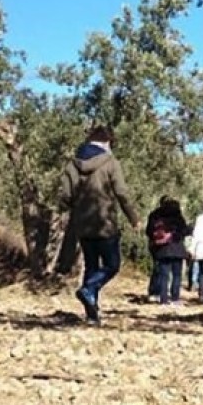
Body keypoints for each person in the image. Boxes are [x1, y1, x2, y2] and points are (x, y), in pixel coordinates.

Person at [54, 125, 140, 325]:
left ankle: (92, 315)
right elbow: (122, 193)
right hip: (105, 222)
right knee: (112, 265)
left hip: (82, 225)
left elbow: (65, 196)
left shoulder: (72, 164)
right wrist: (133, 217)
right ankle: (88, 290)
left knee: (91, 266)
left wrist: (70, 208)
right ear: (107, 142)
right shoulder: (111, 162)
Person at [146, 196, 188, 306]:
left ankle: (163, 299)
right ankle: (175, 298)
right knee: (177, 275)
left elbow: (149, 231)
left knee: (164, 275)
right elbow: (184, 230)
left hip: (162, 249)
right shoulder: (178, 216)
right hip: (177, 248)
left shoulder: (155, 215)